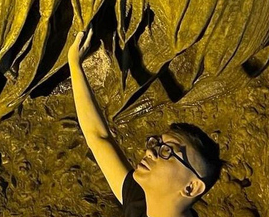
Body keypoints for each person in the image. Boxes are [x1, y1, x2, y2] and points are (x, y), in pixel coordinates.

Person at [68, 28, 222, 217]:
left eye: (166, 151)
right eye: (158, 144)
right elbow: (98, 136)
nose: (149, 151)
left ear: (191, 187)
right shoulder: (140, 202)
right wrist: (75, 65)